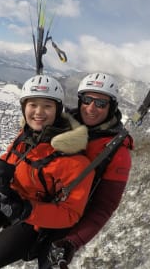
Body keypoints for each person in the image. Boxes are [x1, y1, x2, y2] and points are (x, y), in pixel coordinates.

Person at [0, 75, 95, 269]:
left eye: (47, 106)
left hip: (33, 218)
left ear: (58, 110)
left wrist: (27, 210)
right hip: (7, 197)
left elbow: (70, 214)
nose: (39, 112)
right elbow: (10, 159)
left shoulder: (75, 162)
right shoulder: (26, 135)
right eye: (33, 105)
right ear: (24, 108)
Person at [45, 72, 134, 268]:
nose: (91, 108)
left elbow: (105, 205)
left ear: (111, 107)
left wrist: (72, 241)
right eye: (87, 100)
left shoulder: (117, 151)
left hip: (67, 224)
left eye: (101, 103)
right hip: (36, 208)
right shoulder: (62, 123)